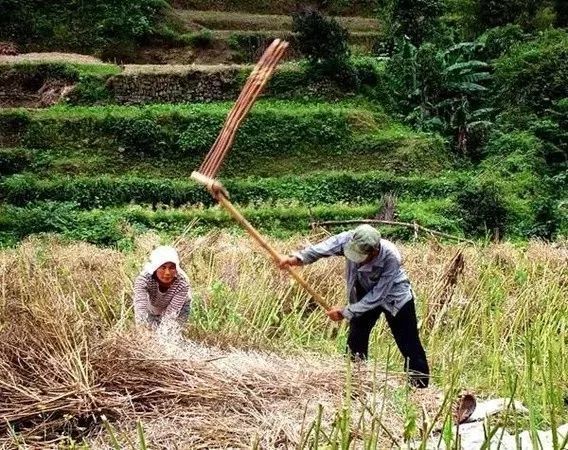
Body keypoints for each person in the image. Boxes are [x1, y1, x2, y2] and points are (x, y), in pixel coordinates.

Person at [279, 225, 430, 388]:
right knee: (356, 336)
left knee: (408, 341)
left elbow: (379, 295)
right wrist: (297, 259)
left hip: (394, 296)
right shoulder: (348, 239)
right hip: (365, 291)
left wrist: (346, 312)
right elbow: (324, 248)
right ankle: (356, 379)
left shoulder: (390, 256)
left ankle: (419, 387)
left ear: (373, 251)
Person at [133, 246, 192, 330]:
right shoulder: (144, 280)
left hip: (179, 307)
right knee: (148, 331)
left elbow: (171, 315)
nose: (167, 273)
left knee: (170, 332)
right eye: (163, 267)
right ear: (155, 268)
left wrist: (164, 332)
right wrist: (142, 330)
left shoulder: (182, 283)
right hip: (153, 307)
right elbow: (140, 308)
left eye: (171, 268)